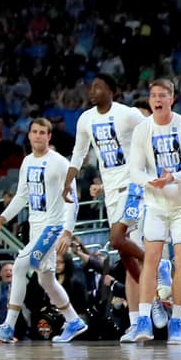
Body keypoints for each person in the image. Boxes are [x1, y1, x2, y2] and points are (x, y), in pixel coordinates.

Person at [0, 118, 89, 343]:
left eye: (42, 132)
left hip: (53, 226)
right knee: (46, 280)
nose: (38, 135)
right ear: (29, 135)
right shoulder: (27, 161)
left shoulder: (60, 163)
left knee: (20, 265)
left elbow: (73, 199)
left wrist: (67, 232)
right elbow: (22, 196)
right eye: (34, 131)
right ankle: (73, 321)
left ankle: (8, 326)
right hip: (36, 227)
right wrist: (1, 219)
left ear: (49, 136)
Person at [62, 73, 146, 339]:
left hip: (133, 187)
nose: (92, 91)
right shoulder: (86, 119)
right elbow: (78, 153)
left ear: (111, 90)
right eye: (91, 87)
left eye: (98, 87)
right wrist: (68, 181)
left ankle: (155, 268)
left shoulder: (128, 114)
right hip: (111, 192)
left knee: (119, 239)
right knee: (124, 255)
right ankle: (139, 318)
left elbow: (153, 133)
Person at [127, 78, 181, 343]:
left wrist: (173, 177)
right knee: (151, 258)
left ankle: (177, 322)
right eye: (153, 96)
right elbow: (134, 170)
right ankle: (144, 320)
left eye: (162, 95)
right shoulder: (142, 129)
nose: (157, 99)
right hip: (156, 204)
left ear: (172, 98)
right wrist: (153, 182)